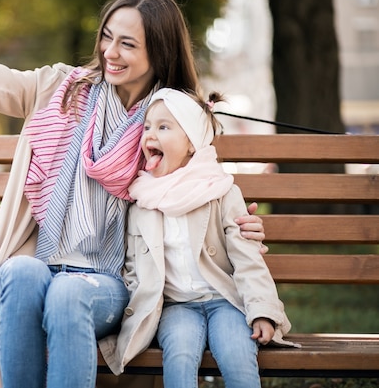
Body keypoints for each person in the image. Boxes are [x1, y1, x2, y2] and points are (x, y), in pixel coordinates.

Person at [0, 0, 266, 388]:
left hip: (110, 282)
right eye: (107, 36)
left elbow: (201, 186)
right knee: (18, 273)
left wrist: (237, 226)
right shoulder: (62, 88)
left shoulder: (170, 121)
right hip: (42, 259)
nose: (110, 51)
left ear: (158, 52)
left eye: (127, 43)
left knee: (69, 292)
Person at [99, 88, 299, 388]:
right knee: (179, 355)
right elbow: (132, 268)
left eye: (164, 127)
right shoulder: (142, 201)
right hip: (176, 306)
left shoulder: (220, 191)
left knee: (238, 353)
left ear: (191, 144)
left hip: (225, 300)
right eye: (148, 126)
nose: (150, 135)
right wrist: (138, 312)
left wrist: (262, 312)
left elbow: (247, 260)